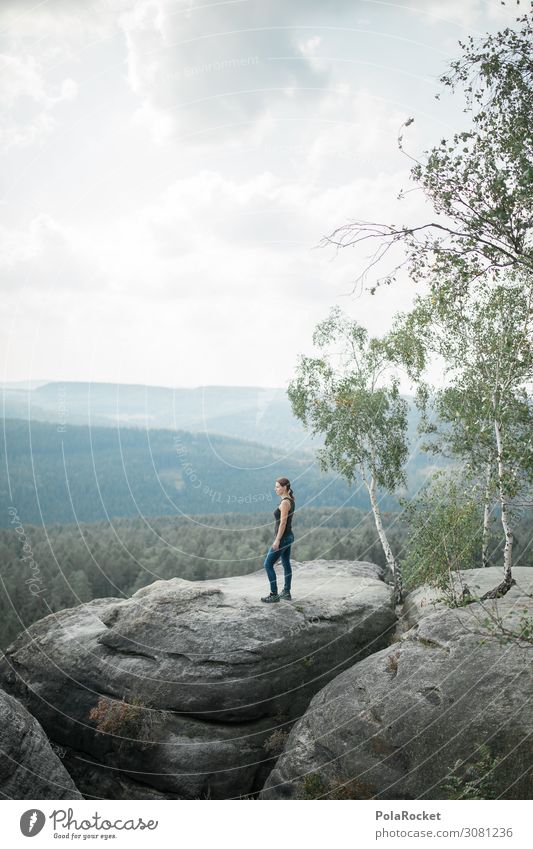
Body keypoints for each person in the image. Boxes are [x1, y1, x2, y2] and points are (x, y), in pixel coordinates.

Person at [261, 477, 295, 603]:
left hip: (284, 538)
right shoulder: (289, 500)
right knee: (286, 563)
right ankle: (286, 592)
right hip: (289, 536)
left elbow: (283, 523)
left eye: (277, 487)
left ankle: (274, 594)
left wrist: (277, 540)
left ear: (285, 487)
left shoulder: (285, 502)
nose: (275, 489)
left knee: (268, 564)